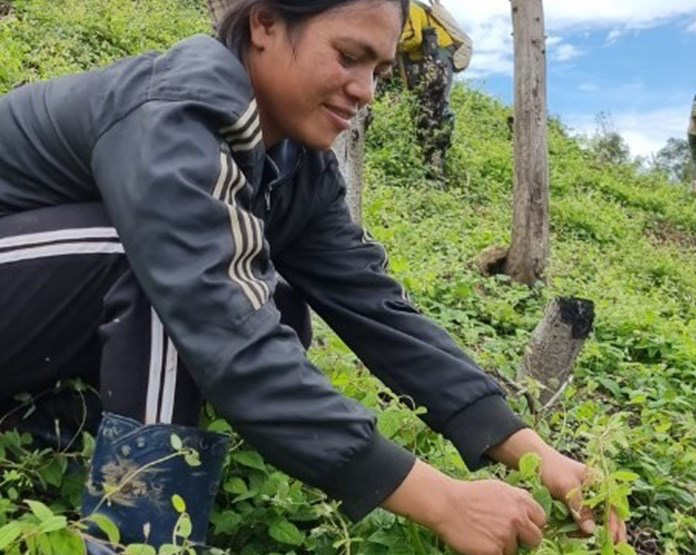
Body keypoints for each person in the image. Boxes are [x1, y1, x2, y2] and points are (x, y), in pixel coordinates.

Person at [0, 1, 626, 553]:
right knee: (164, 270)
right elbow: (226, 333)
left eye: (379, 71)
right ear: (266, 23)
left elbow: (378, 310)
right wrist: (443, 501)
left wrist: (530, 452)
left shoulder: (298, 166)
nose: (366, 91)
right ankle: (140, 536)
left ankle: (43, 426)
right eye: (349, 56)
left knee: (270, 295)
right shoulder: (180, 111)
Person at [397, 0, 470, 179]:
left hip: (436, 59)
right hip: (434, 60)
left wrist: (392, 44)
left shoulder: (412, 7)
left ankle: (434, 165)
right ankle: (431, 162)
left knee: (433, 110)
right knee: (428, 109)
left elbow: (414, 38)